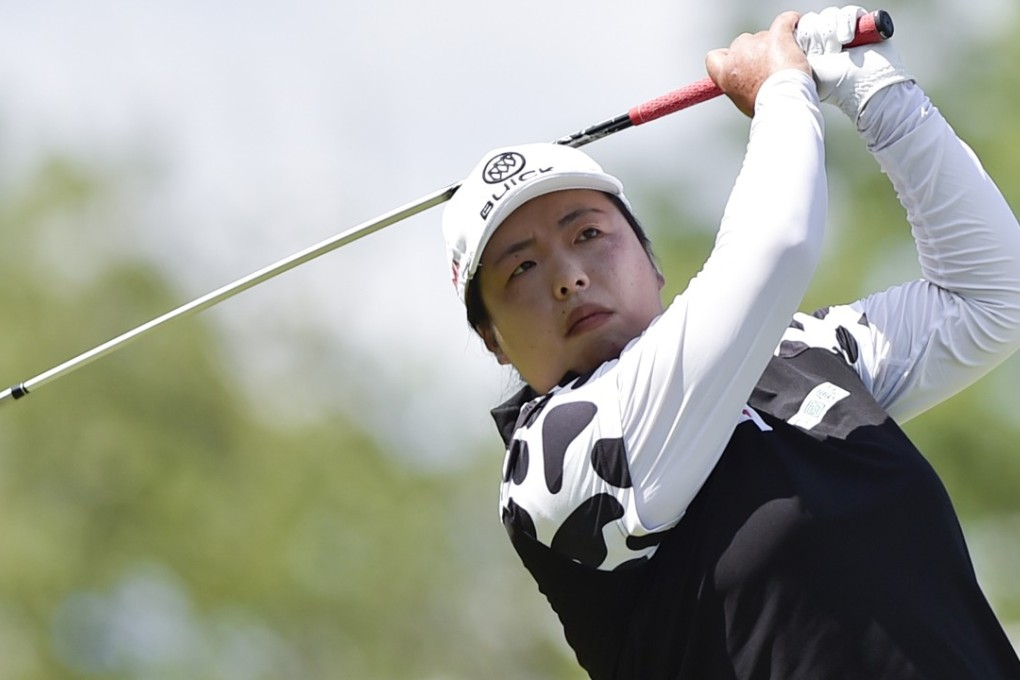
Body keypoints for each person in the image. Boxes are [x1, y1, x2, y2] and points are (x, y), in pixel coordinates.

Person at [441, 7, 1020, 679]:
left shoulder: (798, 354)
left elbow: (989, 299)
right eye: (522, 268)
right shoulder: (552, 462)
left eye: (587, 234)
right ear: (494, 343)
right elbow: (775, 246)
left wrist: (872, 91)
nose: (568, 276)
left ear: (652, 263)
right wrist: (780, 91)